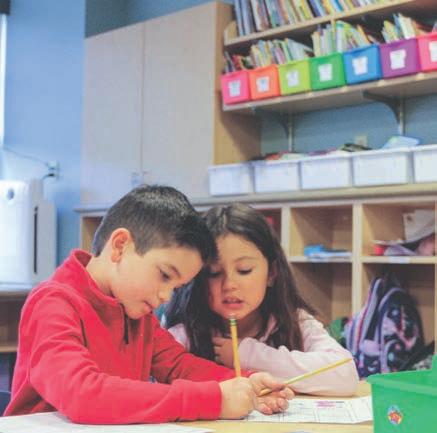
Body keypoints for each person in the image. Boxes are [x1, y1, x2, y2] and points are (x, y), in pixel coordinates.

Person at [5, 186, 292, 424]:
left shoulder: (135, 310)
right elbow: (82, 393)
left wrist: (245, 382)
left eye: (176, 287)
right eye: (164, 275)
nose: (166, 296)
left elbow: (179, 366)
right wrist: (214, 401)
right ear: (120, 246)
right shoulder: (54, 302)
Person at [165, 203, 359, 396]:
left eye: (244, 270)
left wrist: (247, 355)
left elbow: (345, 375)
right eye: (214, 273)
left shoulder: (295, 322)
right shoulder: (187, 334)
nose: (229, 284)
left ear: (271, 273)